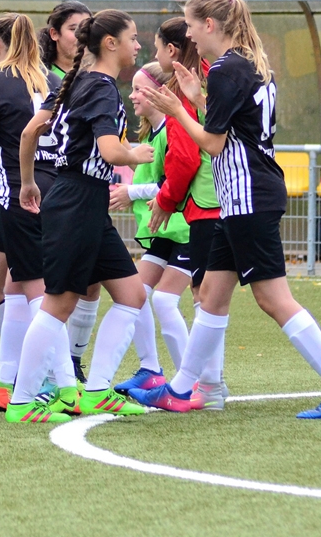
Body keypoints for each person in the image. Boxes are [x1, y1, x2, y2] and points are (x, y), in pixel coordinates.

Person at [134, 0, 321, 419]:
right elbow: (237, 124)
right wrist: (196, 99)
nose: (188, 34)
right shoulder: (248, 63)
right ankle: (182, 389)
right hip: (243, 198)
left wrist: (178, 110)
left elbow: (214, 144)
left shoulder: (225, 68)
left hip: (248, 198)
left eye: (191, 25)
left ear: (210, 25)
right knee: (210, 296)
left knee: (274, 299)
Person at [6, 11, 154, 424]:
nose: (138, 45)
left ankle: (97, 392)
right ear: (110, 43)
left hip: (83, 201)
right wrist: (136, 154)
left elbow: (29, 133)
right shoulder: (101, 87)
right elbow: (110, 151)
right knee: (59, 304)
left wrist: (29, 183)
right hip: (77, 202)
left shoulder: (77, 82)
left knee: (132, 295)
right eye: (133, 38)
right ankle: (21, 402)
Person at [0, 14, 66, 412]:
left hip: (19, 189)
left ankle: (62, 383)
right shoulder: (54, 81)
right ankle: (7, 379)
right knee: (11, 287)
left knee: (35, 287)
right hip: (58, 186)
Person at [148, 17, 227, 409]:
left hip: (210, 204)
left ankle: (206, 387)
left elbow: (184, 158)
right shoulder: (216, 75)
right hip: (228, 199)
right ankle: (206, 387)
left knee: (206, 295)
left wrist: (165, 201)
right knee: (215, 294)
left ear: (172, 50)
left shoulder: (182, 89)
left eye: (156, 47)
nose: (152, 55)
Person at [108, 62, 193, 395]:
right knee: (135, 293)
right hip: (164, 232)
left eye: (138, 89)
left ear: (161, 92)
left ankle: (190, 383)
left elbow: (174, 183)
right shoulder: (150, 134)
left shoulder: (174, 129)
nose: (132, 96)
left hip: (186, 229)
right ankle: (151, 370)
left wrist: (131, 192)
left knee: (165, 301)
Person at [38, 1, 92, 78]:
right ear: (54, 34)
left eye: (87, 29)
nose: (82, 35)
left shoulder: (98, 73)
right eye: (74, 29)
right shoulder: (41, 76)